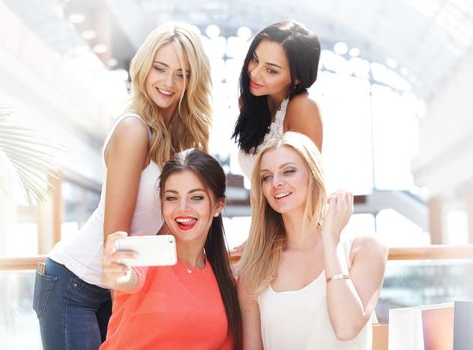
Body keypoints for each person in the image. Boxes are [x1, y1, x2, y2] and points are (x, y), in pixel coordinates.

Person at [32, 22, 212, 350]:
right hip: (74, 284)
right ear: (144, 67)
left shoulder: (179, 141)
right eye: (160, 68)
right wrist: (130, 313)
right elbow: (114, 240)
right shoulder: (134, 129)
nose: (168, 82)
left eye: (181, 73)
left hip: (117, 283)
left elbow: (168, 234)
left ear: (193, 81)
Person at [237, 132, 387, 350]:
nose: (276, 182)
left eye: (288, 171)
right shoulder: (255, 268)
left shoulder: (365, 249)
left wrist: (330, 239)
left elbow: (346, 327)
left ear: (313, 175)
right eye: (266, 177)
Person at [100, 149, 242, 349]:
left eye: (196, 197)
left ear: (218, 206)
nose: (183, 208)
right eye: (172, 198)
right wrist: (117, 274)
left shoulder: (225, 281)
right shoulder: (145, 251)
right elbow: (128, 278)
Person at [232, 20, 323, 181]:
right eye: (254, 59)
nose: (254, 74)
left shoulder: (303, 107)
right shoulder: (249, 104)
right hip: (263, 206)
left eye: (271, 70)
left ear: (297, 79)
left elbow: (308, 183)